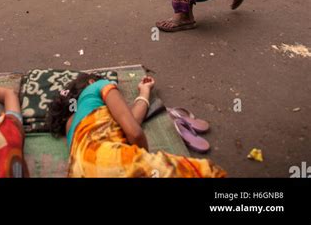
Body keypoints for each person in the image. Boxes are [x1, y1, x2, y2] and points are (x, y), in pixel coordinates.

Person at [47, 73, 225, 178]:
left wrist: (144, 92)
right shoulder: (100, 85)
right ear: (92, 82)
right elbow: (134, 131)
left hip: (80, 171)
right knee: (209, 172)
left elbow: (131, 118)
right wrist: (143, 159)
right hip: (108, 161)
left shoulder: (71, 124)